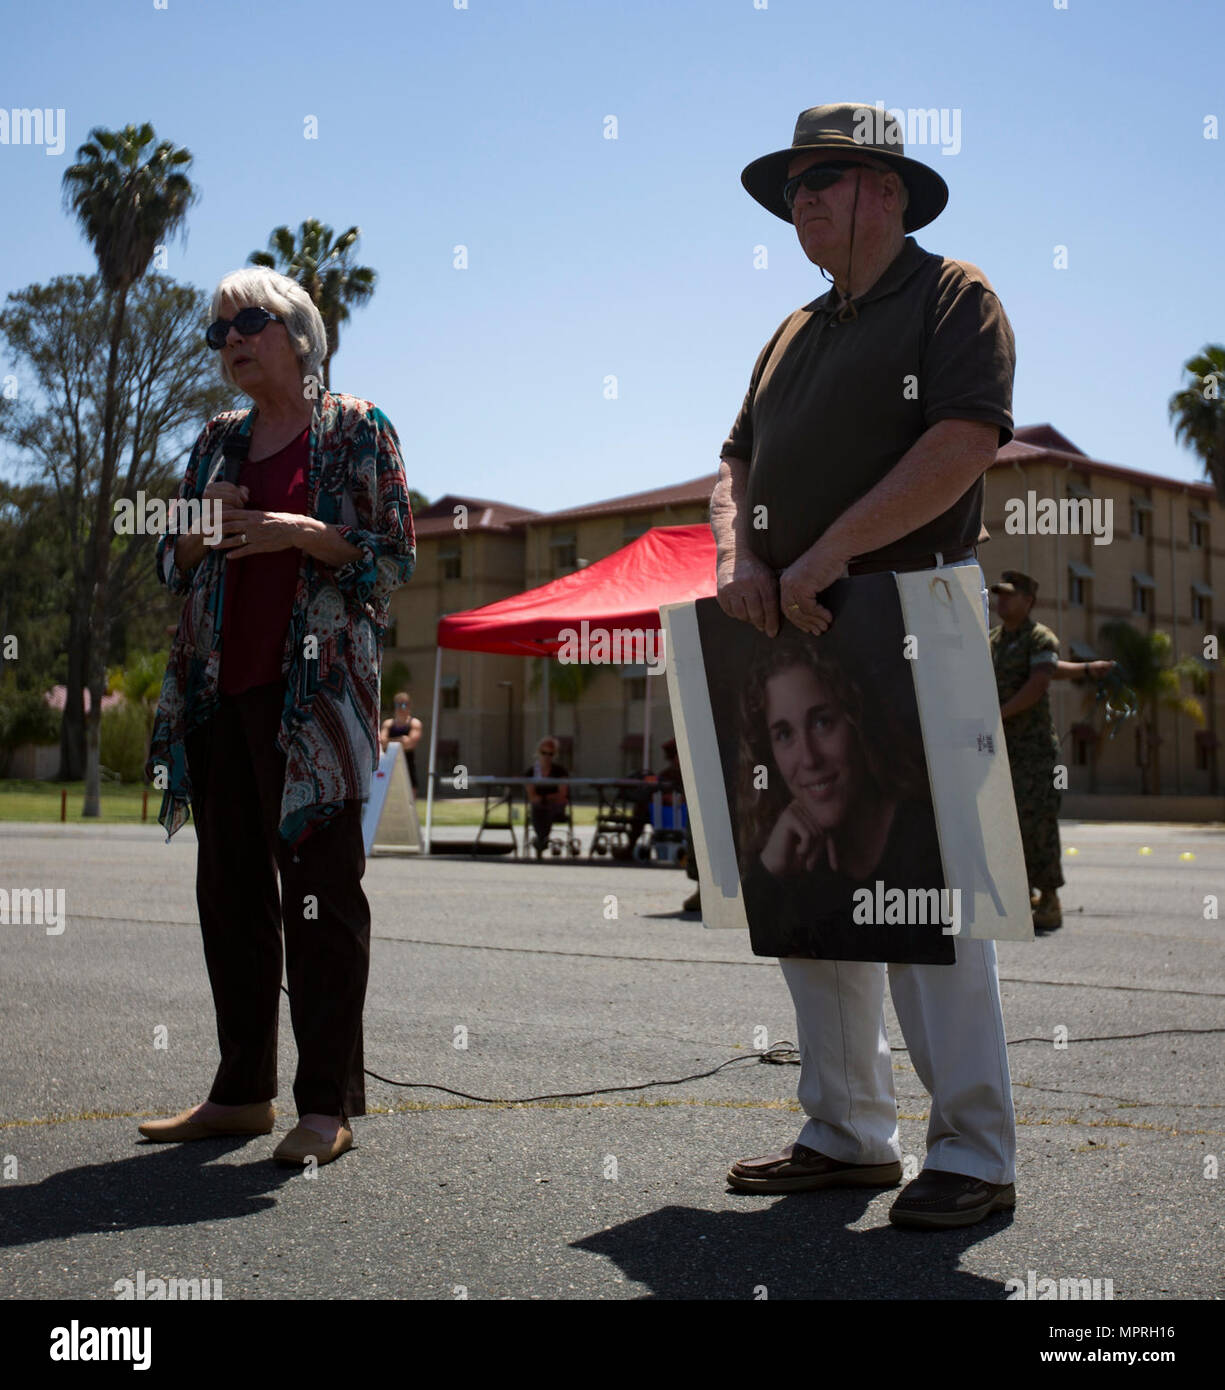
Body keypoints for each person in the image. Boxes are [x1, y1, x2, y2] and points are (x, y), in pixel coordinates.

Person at [712, 102, 1018, 1228]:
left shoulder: (951, 296)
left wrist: (830, 548)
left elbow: (963, 441)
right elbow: (735, 460)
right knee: (816, 885)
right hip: (790, 631)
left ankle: (975, 1152)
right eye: (790, 183)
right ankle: (845, 1132)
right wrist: (742, 549)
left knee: (929, 890)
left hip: (912, 607)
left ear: (885, 191)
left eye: (822, 178)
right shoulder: (789, 331)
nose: (798, 197)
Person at [141, 266, 415, 1167]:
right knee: (228, 896)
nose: (228, 341)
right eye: (216, 331)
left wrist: (298, 531)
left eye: (247, 322)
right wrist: (194, 525)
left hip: (318, 706)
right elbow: (170, 563)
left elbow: (390, 564)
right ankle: (240, 1092)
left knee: (320, 898)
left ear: (298, 334)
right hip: (219, 694)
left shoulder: (358, 429)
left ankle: (323, 1105)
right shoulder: (218, 438)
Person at [735, 636, 950, 963]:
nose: (808, 759)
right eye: (784, 734)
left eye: (822, 722)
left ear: (857, 719)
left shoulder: (928, 842)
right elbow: (766, 940)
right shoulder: (793, 854)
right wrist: (771, 872)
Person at [988, 571, 1114, 932]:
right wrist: (1087, 668)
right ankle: (1021, 890)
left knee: (1037, 822)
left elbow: (1039, 680)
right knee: (1006, 825)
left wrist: (996, 715)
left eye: (1010, 596)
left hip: (1033, 751)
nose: (1001, 601)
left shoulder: (1040, 637)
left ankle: (1050, 898)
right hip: (1000, 752)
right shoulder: (994, 641)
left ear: (1029, 600)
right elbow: (1051, 669)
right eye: (999, 595)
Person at [525, 736, 570, 856]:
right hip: (539, 806)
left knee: (547, 807)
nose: (546, 756)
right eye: (544, 753)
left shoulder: (560, 772)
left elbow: (562, 795)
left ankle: (541, 839)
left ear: (554, 755)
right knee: (538, 807)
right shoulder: (531, 772)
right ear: (538, 752)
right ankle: (542, 838)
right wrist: (546, 798)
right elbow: (532, 796)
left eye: (550, 754)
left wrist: (545, 798)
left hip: (555, 806)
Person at [380, 690, 423, 795]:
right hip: (390, 763)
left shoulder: (414, 723)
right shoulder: (388, 723)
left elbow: (410, 743)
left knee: (410, 795)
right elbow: (382, 742)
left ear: (409, 706)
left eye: (404, 705)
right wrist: (401, 740)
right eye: (398, 705)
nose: (400, 708)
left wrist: (390, 742)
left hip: (408, 762)